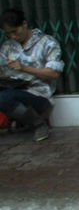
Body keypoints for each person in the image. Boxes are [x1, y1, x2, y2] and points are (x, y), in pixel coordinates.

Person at [0, 8, 63, 141]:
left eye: (15, 31)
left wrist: (23, 68)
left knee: (3, 98)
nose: (13, 36)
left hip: (38, 93)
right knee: (5, 95)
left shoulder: (47, 42)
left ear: (24, 24)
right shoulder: (7, 46)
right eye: (8, 34)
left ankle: (38, 124)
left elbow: (53, 73)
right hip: (13, 88)